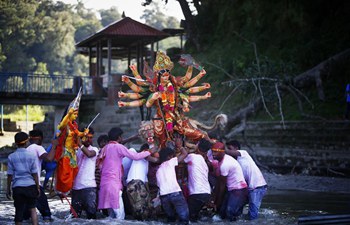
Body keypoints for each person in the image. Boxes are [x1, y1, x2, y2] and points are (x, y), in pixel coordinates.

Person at [97, 127, 154, 219]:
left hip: (104, 184)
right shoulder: (118, 147)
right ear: (119, 137)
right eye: (121, 137)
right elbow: (135, 156)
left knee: (111, 216)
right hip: (114, 184)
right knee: (120, 216)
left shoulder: (105, 148)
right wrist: (148, 152)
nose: (122, 139)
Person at [54, 93, 89, 195]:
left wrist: (84, 133)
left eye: (76, 114)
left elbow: (79, 134)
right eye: (74, 114)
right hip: (65, 152)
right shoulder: (64, 125)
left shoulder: (74, 125)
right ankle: (62, 190)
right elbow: (61, 126)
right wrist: (68, 115)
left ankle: (70, 189)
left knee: (73, 171)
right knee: (64, 172)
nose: (76, 116)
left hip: (73, 151)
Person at [225, 140, 267, 220]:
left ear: (236, 148)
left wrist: (219, 148)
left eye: (230, 148)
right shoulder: (234, 163)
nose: (228, 151)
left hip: (257, 187)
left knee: (253, 213)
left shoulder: (243, 154)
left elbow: (228, 152)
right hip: (248, 188)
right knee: (237, 209)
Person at [23, 129, 57, 222]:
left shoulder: (27, 149)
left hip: (24, 185)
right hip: (34, 185)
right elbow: (49, 158)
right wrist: (54, 145)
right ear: (40, 139)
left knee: (25, 216)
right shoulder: (38, 147)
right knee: (47, 215)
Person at [6, 132, 40, 225]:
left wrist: (8, 188)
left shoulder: (11, 157)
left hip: (17, 187)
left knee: (19, 211)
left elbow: (9, 175)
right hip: (30, 186)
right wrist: (37, 187)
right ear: (26, 142)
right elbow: (35, 173)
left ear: (16, 143)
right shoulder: (31, 156)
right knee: (33, 209)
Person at [156, 135, 189, 225]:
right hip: (175, 193)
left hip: (164, 196)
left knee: (170, 219)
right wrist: (179, 146)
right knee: (184, 219)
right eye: (172, 155)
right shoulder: (170, 162)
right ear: (169, 156)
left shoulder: (158, 170)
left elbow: (159, 185)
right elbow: (185, 154)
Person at [211, 141, 248, 221]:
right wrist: (214, 199)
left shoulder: (225, 164)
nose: (213, 154)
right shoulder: (220, 160)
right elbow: (219, 182)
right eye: (212, 151)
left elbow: (222, 186)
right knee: (222, 213)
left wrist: (217, 202)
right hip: (231, 189)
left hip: (239, 190)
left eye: (216, 152)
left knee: (229, 212)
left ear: (222, 152)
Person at [71, 127, 99, 219]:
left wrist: (80, 145)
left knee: (91, 217)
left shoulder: (94, 149)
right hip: (76, 188)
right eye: (86, 137)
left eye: (91, 137)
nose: (89, 140)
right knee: (74, 217)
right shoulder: (76, 150)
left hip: (89, 188)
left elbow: (89, 154)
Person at [126, 143, 158, 220]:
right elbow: (149, 156)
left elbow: (145, 180)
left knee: (138, 209)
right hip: (137, 184)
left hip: (131, 185)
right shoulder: (142, 156)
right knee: (142, 211)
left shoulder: (141, 160)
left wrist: (149, 193)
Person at [183, 138, 212, 222]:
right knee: (194, 217)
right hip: (207, 193)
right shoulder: (204, 162)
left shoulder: (192, 157)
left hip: (197, 193)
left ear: (198, 147)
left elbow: (180, 158)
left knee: (187, 218)